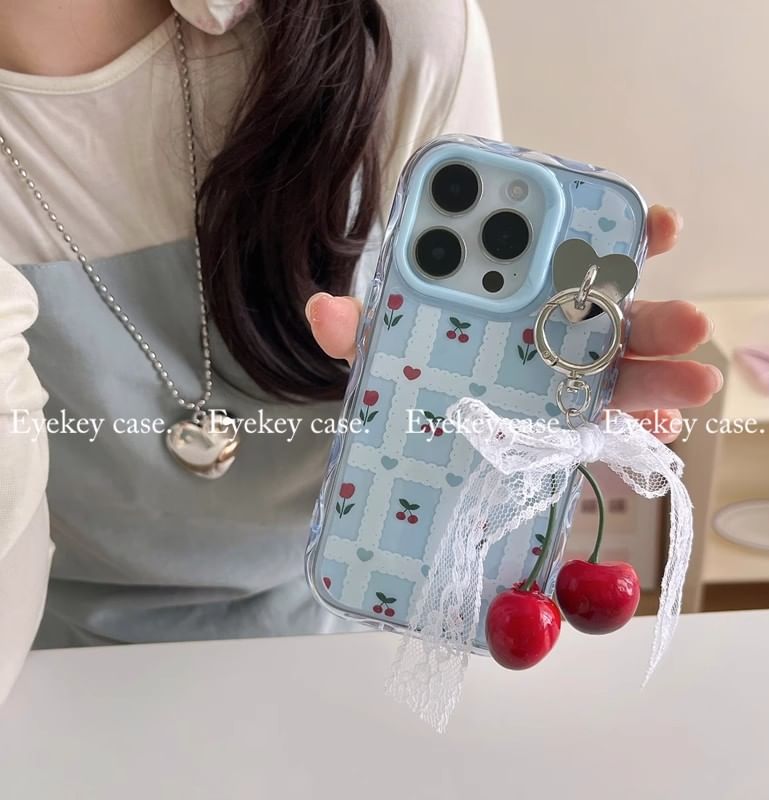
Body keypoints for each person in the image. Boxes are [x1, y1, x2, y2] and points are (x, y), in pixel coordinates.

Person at [0, 0, 721, 702]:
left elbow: (471, 390)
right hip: (42, 664)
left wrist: (496, 408)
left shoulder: (397, 27)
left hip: (369, 635)